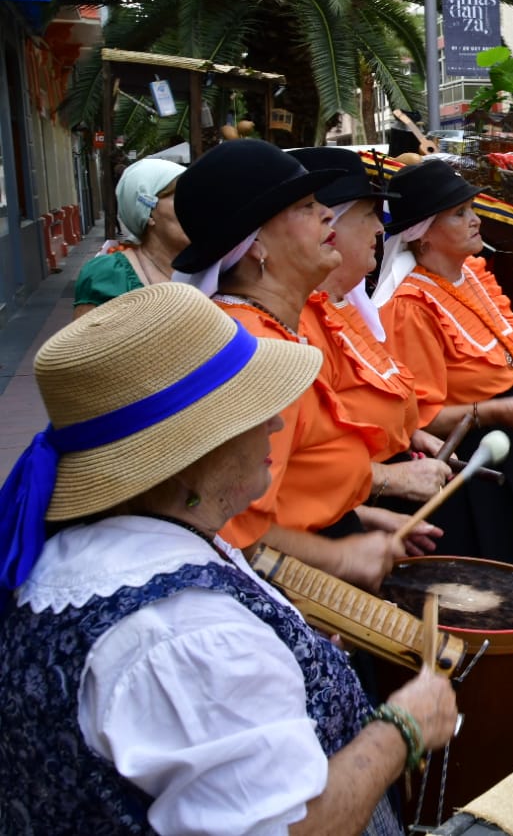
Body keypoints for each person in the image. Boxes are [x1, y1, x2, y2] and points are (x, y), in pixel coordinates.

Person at [0, 283, 456, 833]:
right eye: (252, 408)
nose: (276, 423)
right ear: (189, 455)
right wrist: (402, 728)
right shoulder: (185, 636)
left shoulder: (101, 547)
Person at [171, 139, 403, 590]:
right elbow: (227, 526)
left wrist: (358, 518)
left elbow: (291, 484)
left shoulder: (272, 328)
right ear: (255, 244)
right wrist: (338, 555)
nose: (325, 215)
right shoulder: (249, 348)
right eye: (305, 205)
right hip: (285, 585)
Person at [373, 160, 513, 583]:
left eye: (471, 208)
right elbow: (420, 419)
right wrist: (497, 412)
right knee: (510, 573)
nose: (476, 220)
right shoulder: (411, 307)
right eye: (459, 213)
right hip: (476, 467)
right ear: (422, 233)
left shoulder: (474, 275)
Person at [290, 147, 453, 527]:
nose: (381, 229)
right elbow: (300, 463)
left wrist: (408, 434)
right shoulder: (298, 323)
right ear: (331, 228)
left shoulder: (345, 305)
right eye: (368, 215)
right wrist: (386, 482)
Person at [74, 157, 188, 316]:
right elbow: (86, 340)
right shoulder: (108, 274)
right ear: (148, 212)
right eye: (183, 197)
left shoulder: (215, 264)